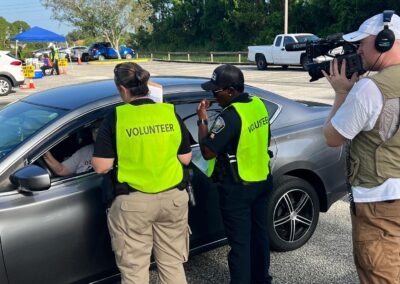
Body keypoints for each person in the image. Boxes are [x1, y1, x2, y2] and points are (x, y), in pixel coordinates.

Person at [91, 62, 192, 284]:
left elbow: (101, 166)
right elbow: (185, 158)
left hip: (133, 204)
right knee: (172, 264)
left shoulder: (116, 117)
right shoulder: (169, 112)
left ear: (122, 89)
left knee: (135, 271)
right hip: (173, 200)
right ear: (146, 85)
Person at [322, 11, 400, 283]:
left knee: (380, 273)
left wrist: (342, 93)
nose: (357, 50)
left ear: (384, 41)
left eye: (361, 44)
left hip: (380, 200)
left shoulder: (370, 88)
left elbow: (333, 137)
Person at [197, 64, 273, 284]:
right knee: (259, 236)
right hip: (262, 179)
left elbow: (207, 152)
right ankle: (262, 279)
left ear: (230, 91)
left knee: (240, 244)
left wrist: (202, 119)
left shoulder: (229, 116)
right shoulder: (258, 104)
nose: (213, 95)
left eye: (215, 91)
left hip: (238, 188)